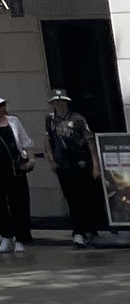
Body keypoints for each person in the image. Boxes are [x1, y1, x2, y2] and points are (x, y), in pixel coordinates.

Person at [45, 91, 106, 247]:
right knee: (71, 199)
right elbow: (47, 140)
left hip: (80, 163)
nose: (59, 104)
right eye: (56, 102)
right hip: (62, 164)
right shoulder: (50, 120)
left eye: (62, 101)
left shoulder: (77, 119)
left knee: (84, 197)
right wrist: (51, 159)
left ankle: (88, 229)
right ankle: (78, 231)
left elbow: (89, 141)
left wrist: (95, 165)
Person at [0, 95, 34, 255]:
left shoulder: (13, 121)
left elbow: (26, 141)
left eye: (2, 105)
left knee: (18, 202)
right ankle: (6, 235)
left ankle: (21, 238)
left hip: (15, 167)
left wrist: (31, 159)